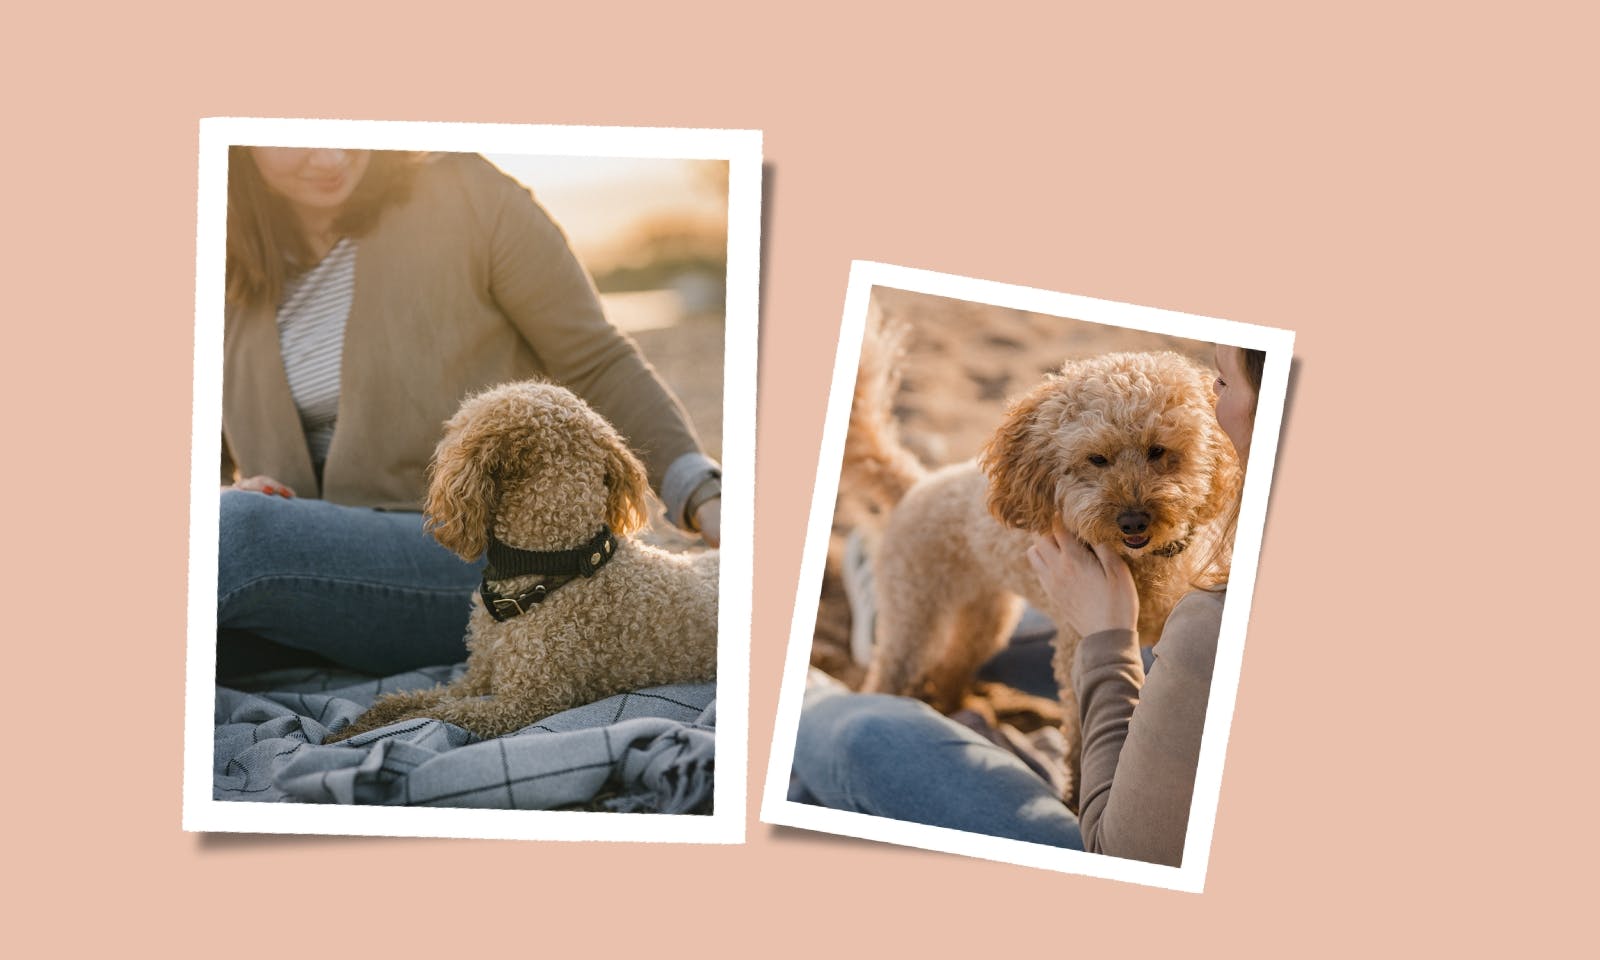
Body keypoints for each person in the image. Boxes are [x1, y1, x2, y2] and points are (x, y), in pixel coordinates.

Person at [217, 147, 722, 678]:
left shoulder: (468, 193)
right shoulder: (220, 269)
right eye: (292, 135)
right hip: (311, 576)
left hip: (486, 560)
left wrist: (702, 491)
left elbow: (597, 360)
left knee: (236, 535)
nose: (329, 154)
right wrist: (231, 490)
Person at [790, 344, 1265, 865]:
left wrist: (1107, 643)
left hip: (1121, 836)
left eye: (1160, 455)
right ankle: (884, 586)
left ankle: (872, 572)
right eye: (1098, 461)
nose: (1133, 506)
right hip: (928, 530)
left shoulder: (1209, 615)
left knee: (944, 669)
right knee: (903, 667)